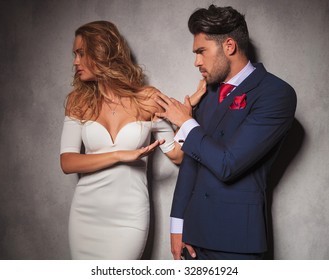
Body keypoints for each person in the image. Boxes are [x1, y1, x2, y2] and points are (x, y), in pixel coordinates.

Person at [155, 5, 297, 260]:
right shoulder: (208, 94)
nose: (196, 61)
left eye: (201, 52)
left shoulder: (277, 94)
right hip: (193, 238)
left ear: (229, 46)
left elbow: (228, 164)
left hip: (238, 240)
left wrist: (186, 122)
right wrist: (177, 224)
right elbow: (191, 163)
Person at [59, 21, 206, 260]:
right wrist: (120, 155)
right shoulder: (79, 101)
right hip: (85, 215)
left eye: (81, 53)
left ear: (101, 52)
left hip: (129, 217)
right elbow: (68, 162)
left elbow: (177, 155)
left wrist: (186, 117)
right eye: (75, 54)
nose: (75, 61)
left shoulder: (146, 99)